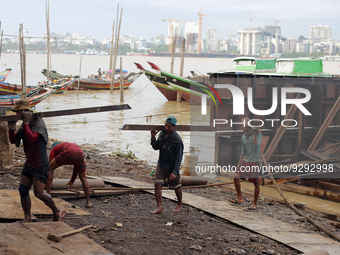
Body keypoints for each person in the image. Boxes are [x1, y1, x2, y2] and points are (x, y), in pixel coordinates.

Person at [8, 99, 66, 222]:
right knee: (23, 190)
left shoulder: (39, 123)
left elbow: (32, 138)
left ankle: (56, 210)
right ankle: (28, 216)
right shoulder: (25, 124)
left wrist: (27, 123)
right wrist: (11, 126)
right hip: (29, 162)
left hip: (39, 163)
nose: (17, 114)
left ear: (25, 111)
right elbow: (13, 140)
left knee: (39, 193)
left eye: (18, 112)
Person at [150, 116, 184, 214]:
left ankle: (179, 203)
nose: (166, 128)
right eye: (165, 125)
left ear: (174, 127)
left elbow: (179, 157)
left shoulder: (177, 139)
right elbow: (156, 147)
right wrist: (153, 137)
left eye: (168, 126)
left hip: (172, 166)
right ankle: (159, 207)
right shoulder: (162, 134)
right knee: (157, 184)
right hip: (161, 164)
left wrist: (175, 171)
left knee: (176, 186)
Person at [46, 142, 93, 208]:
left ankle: (48, 194)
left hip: (68, 152)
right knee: (83, 177)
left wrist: (45, 180)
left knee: (50, 168)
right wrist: (72, 181)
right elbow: (76, 166)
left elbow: (50, 164)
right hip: (81, 154)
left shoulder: (54, 149)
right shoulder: (67, 145)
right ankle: (88, 202)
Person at [230, 117, 262, 210]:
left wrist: (256, 133)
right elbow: (243, 151)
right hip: (245, 160)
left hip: (254, 161)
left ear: (247, 126)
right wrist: (239, 163)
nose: (241, 126)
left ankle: (254, 203)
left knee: (255, 183)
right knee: (236, 176)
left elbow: (256, 146)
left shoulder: (258, 134)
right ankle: (239, 198)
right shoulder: (243, 136)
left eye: (242, 125)